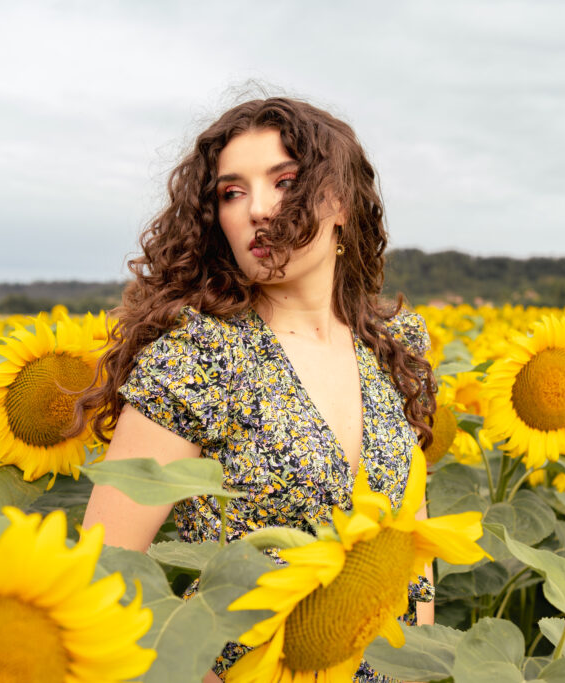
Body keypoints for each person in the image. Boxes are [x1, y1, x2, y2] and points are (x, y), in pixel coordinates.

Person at [77, 96, 437, 683]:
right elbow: (102, 575)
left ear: (339, 200)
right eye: (231, 192)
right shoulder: (202, 359)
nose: (255, 210)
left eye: (284, 181)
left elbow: (412, 547)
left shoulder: (392, 346)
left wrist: (418, 661)